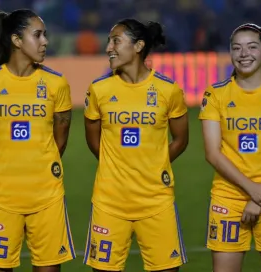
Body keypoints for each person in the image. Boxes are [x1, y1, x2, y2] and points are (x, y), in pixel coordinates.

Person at [0, 9, 75, 272]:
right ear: (16, 40)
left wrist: (39, 170)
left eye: (45, 35)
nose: (45, 42)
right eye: (37, 35)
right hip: (1, 200)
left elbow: (59, 140)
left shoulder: (56, 83)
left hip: (47, 198)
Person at [83, 18, 189, 272]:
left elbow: (181, 139)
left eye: (116, 41)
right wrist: (117, 164)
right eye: (109, 41)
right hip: (109, 202)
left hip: (156, 202)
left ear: (139, 46)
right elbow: (93, 140)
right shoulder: (99, 90)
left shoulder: (168, 89)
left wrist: (155, 164)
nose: (108, 47)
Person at [199, 23, 261, 272]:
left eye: (252, 47)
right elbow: (212, 153)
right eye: (237, 48)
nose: (244, 54)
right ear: (231, 53)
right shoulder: (215, 94)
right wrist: (251, 190)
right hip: (228, 197)